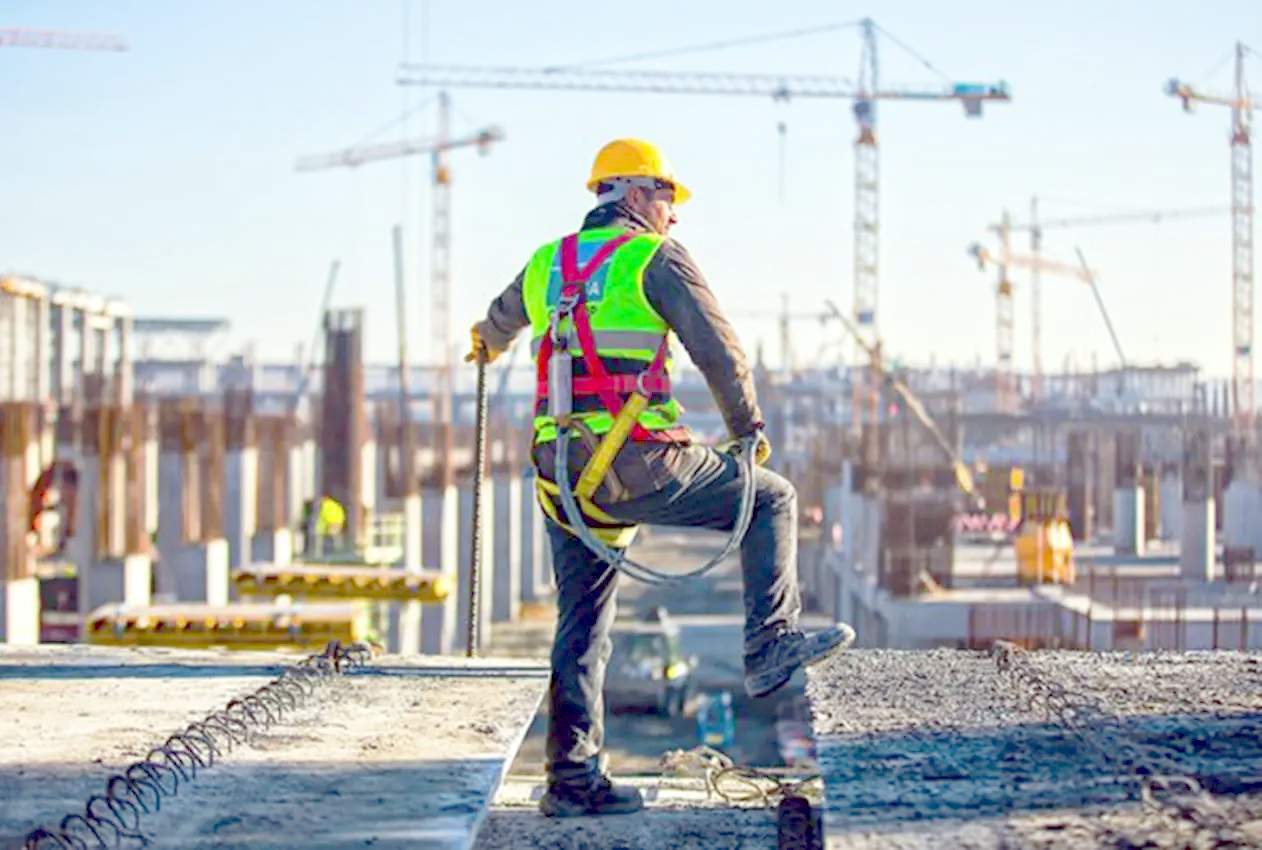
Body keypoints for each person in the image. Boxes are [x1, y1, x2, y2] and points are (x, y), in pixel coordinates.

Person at [466, 138, 854, 818]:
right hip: (640, 462)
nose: (675, 214)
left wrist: (486, 342)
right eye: (669, 197)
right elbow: (721, 353)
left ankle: (572, 781)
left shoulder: (546, 263)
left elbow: (497, 322)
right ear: (637, 193)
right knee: (772, 500)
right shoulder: (655, 257)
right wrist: (747, 433)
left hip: (563, 477)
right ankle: (769, 646)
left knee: (582, 625)